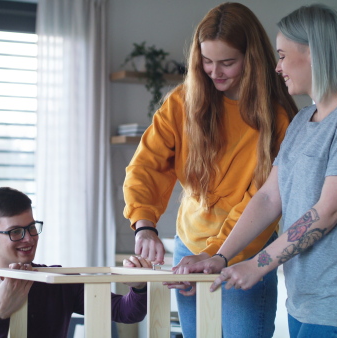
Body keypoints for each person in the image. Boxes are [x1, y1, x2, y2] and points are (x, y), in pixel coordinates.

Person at [177, 4, 337, 338]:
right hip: (304, 298)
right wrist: (221, 256)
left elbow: (329, 209)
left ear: (314, 54)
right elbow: (268, 198)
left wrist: (259, 264)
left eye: (283, 56)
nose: (277, 68)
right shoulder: (303, 121)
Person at [123, 3, 298, 337]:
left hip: (244, 248)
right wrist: (143, 224)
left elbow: (261, 201)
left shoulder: (278, 120)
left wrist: (216, 253)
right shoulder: (182, 101)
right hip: (189, 247)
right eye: (207, 61)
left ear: (252, 58)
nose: (215, 72)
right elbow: (148, 165)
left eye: (227, 62)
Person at [0, 187, 150, 338]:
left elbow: (125, 312)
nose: (29, 239)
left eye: (32, 227)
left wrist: (139, 287)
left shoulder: (57, 280)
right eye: (15, 232)